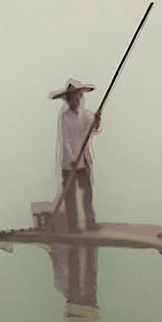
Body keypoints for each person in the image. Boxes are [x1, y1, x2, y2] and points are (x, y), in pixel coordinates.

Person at [52, 80, 100, 230]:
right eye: (73, 98)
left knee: (87, 192)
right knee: (71, 195)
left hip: (84, 160)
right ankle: (73, 225)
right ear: (68, 100)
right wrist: (72, 159)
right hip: (69, 163)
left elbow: (94, 129)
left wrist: (97, 120)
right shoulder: (65, 117)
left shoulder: (86, 115)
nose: (76, 100)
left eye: (78, 97)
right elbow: (65, 140)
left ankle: (89, 222)